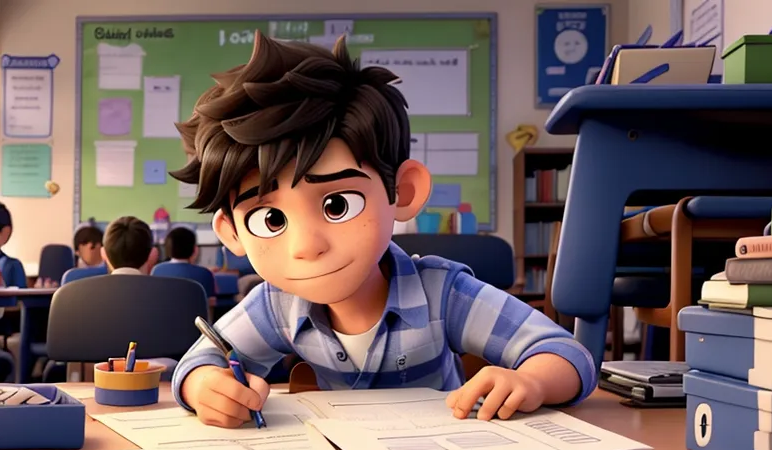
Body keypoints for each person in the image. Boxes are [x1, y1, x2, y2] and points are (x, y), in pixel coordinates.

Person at [170, 32, 597, 429]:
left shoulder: (441, 293)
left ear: (403, 191)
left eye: (337, 205)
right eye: (271, 220)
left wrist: (534, 382)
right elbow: (200, 361)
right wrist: (206, 386)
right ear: (231, 232)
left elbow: (568, 354)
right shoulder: (278, 305)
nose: (306, 245)